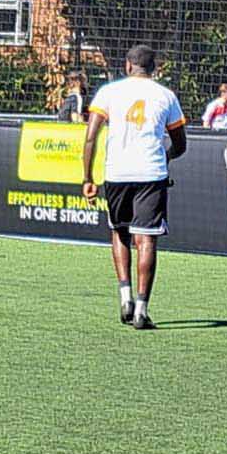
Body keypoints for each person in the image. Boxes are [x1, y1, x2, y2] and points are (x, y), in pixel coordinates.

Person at [82, 44, 187, 331]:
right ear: (155, 69)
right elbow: (180, 144)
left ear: (128, 66)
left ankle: (125, 297)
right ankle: (142, 310)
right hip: (151, 173)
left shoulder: (109, 92)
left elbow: (90, 137)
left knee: (119, 232)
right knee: (147, 240)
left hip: (117, 173)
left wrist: (88, 178)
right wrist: (166, 155)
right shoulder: (166, 96)